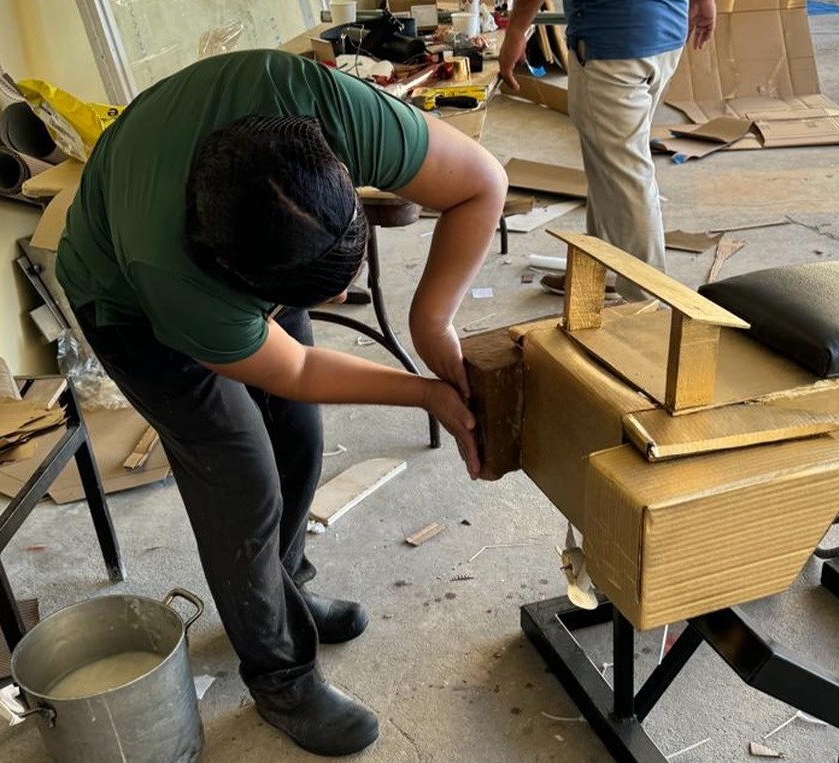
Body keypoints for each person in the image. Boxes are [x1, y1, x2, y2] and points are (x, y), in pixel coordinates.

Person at [56, 49, 507, 757]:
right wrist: (424, 393)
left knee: (297, 435)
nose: (333, 303)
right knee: (240, 477)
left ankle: (283, 581)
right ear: (236, 276)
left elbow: (484, 184)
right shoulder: (171, 273)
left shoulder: (319, 106)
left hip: (261, 223)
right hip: (124, 300)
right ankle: (279, 673)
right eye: (309, 296)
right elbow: (293, 366)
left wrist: (432, 325)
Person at [500, 0, 715, 301]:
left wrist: (516, 32)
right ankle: (604, 270)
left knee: (627, 179)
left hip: (613, 47)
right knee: (610, 164)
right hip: (665, 33)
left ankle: (645, 302)